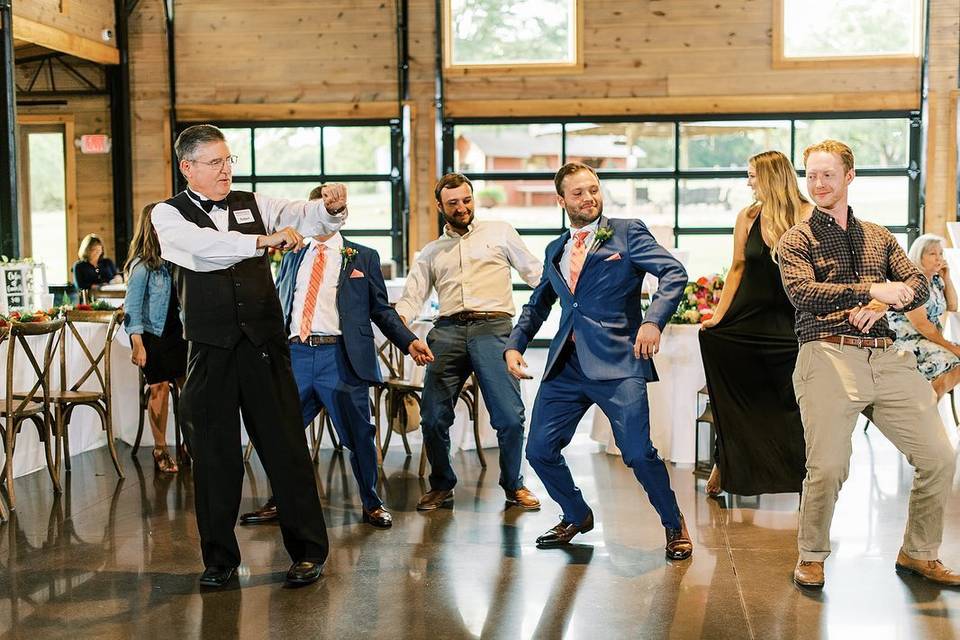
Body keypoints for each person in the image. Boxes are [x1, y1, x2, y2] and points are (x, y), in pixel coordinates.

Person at [152, 124, 346, 588]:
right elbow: (202, 250)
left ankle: (308, 553)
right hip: (209, 350)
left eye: (228, 160)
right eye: (215, 162)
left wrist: (330, 208)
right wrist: (262, 242)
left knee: (286, 449)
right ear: (188, 167)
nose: (225, 170)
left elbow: (304, 215)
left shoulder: (254, 202)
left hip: (263, 347)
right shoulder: (167, 214)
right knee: (215, 456)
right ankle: (219, 561)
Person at [778, 139, 959, 589]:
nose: (818, 184)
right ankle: (812, 555)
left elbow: (916, 284)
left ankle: (919, 553)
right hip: (827, 353)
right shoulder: (796, 238)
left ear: (849, 177)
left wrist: (881, 305)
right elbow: (803, 294)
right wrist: (871, 290)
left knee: (939, 457)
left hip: (887, 357)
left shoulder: (879, 235)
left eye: (827, 175)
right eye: (812, 175)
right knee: (830, 465)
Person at [505, 162, 692, 559]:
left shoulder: (627, 232)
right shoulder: (556, 249)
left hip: (619, 361)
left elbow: (673, 273)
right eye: (578, 193)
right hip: (567, 365)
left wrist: (653, 321)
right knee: (538, 450)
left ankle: (674, 524)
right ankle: (575, 513)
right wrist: (514, 344)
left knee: (638, 453)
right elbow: (538, 304)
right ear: (561, 201)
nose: (589, 198)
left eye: (593, 189)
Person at [239, 185, 434, 529]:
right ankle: (280, 500)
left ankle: (371, 502)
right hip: (295, 356)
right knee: (278, 434)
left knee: (359, 435)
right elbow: (279, 305)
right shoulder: (292, 254)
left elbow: (381, 310)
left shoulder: (363, 256)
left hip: (341, 358)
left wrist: (408, 341)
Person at [395, 173, 543, 512]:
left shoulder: (500, 232)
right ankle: (442, 484)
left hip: (494, 328)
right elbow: (411, 298)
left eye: (466, 200)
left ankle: (513, 485)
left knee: (508, 416)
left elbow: (537, 275)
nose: (461, 208)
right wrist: (401, 324)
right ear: (440, 207)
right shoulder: (432, 251)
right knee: (432, 417)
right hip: (447, 331)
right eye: (453, 203)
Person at [698, 150, 813, 497]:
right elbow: (737, 268)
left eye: (752, 175)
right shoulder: (747, 216)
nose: (748, 182)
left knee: (791, 403)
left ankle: (800, 476)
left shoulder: (809, 214)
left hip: (791, 323)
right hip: (747, 320)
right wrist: (717, 318)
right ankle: (726, 462)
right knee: (737, 395)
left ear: (770, 177)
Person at [123, 202, 188, 474]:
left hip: (179, 332)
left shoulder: (176, 260)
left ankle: (189, 444)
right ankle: (160, 447)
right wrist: (137, 344)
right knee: (159, 389)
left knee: (191, 389)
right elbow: (132, 309)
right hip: (153, 335)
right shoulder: (142, 266)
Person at [887, 234, 960, 399]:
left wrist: (947, 278)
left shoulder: (935, 281)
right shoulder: (910, 283)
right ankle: (923, 407)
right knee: (947, 359)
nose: (938, 258)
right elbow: (922, 325)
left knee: (953, 360)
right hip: (906, 341)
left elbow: (953, 306)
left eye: (940, 254)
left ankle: (930, 405)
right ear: (919, 256)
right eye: (932, 254)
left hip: (929, 338)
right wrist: (951, 347)